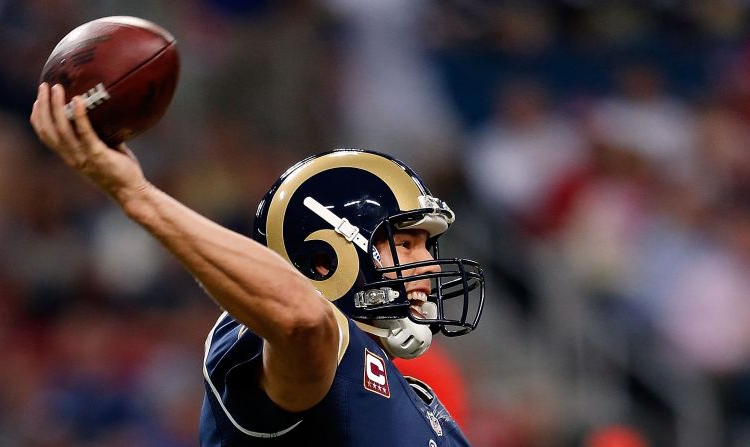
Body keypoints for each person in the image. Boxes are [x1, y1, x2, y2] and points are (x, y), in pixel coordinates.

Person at [30, 83, 486, 446]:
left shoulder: (418, 401)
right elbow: (302, 318)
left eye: (426, 245)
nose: (427, 263)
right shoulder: (305, 348)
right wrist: (138, 197)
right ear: (327, 258)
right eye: (405, 244)